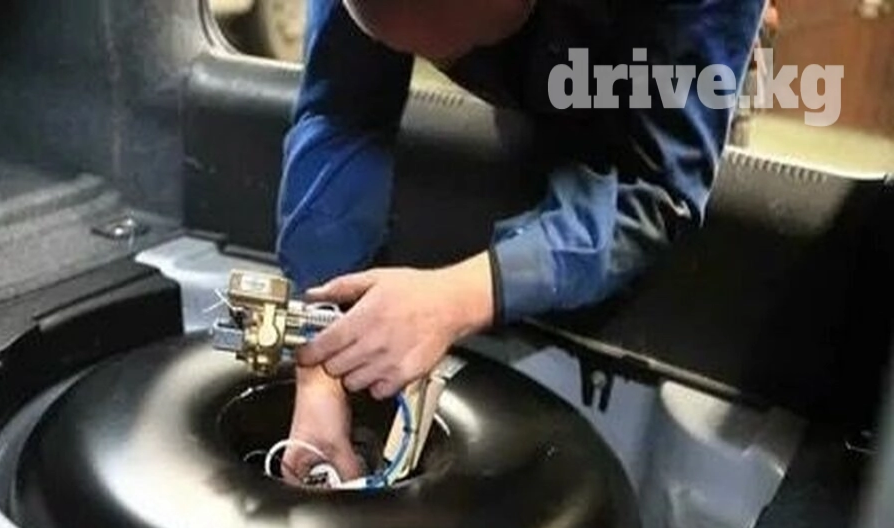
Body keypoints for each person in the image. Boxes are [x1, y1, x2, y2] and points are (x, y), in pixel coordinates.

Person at [275, 0, 765, 482]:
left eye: (454, 50)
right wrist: (321, 357)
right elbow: (341, 115)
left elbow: (658, 191)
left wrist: (456, 298)